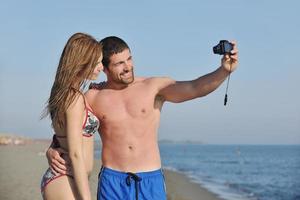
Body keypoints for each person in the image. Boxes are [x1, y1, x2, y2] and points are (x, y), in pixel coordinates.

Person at [47, 36, 239, 200]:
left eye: (129, 59)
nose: (128, 67)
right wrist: (53, 148)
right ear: (104, 68)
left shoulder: (152, 87)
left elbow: (194, 88)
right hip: (112, 181)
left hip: (150, 180)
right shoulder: (93, 96)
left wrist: (223, 71)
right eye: (119, 63)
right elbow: (70, 126)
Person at [41, 32, 103, 200]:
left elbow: (62, 136)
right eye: (97, 62)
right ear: (82, 61)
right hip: (64, 181)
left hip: (66, 179)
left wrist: (51, 149)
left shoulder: (64, 94)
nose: (101, 67)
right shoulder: (74, 98)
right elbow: (75, 153)